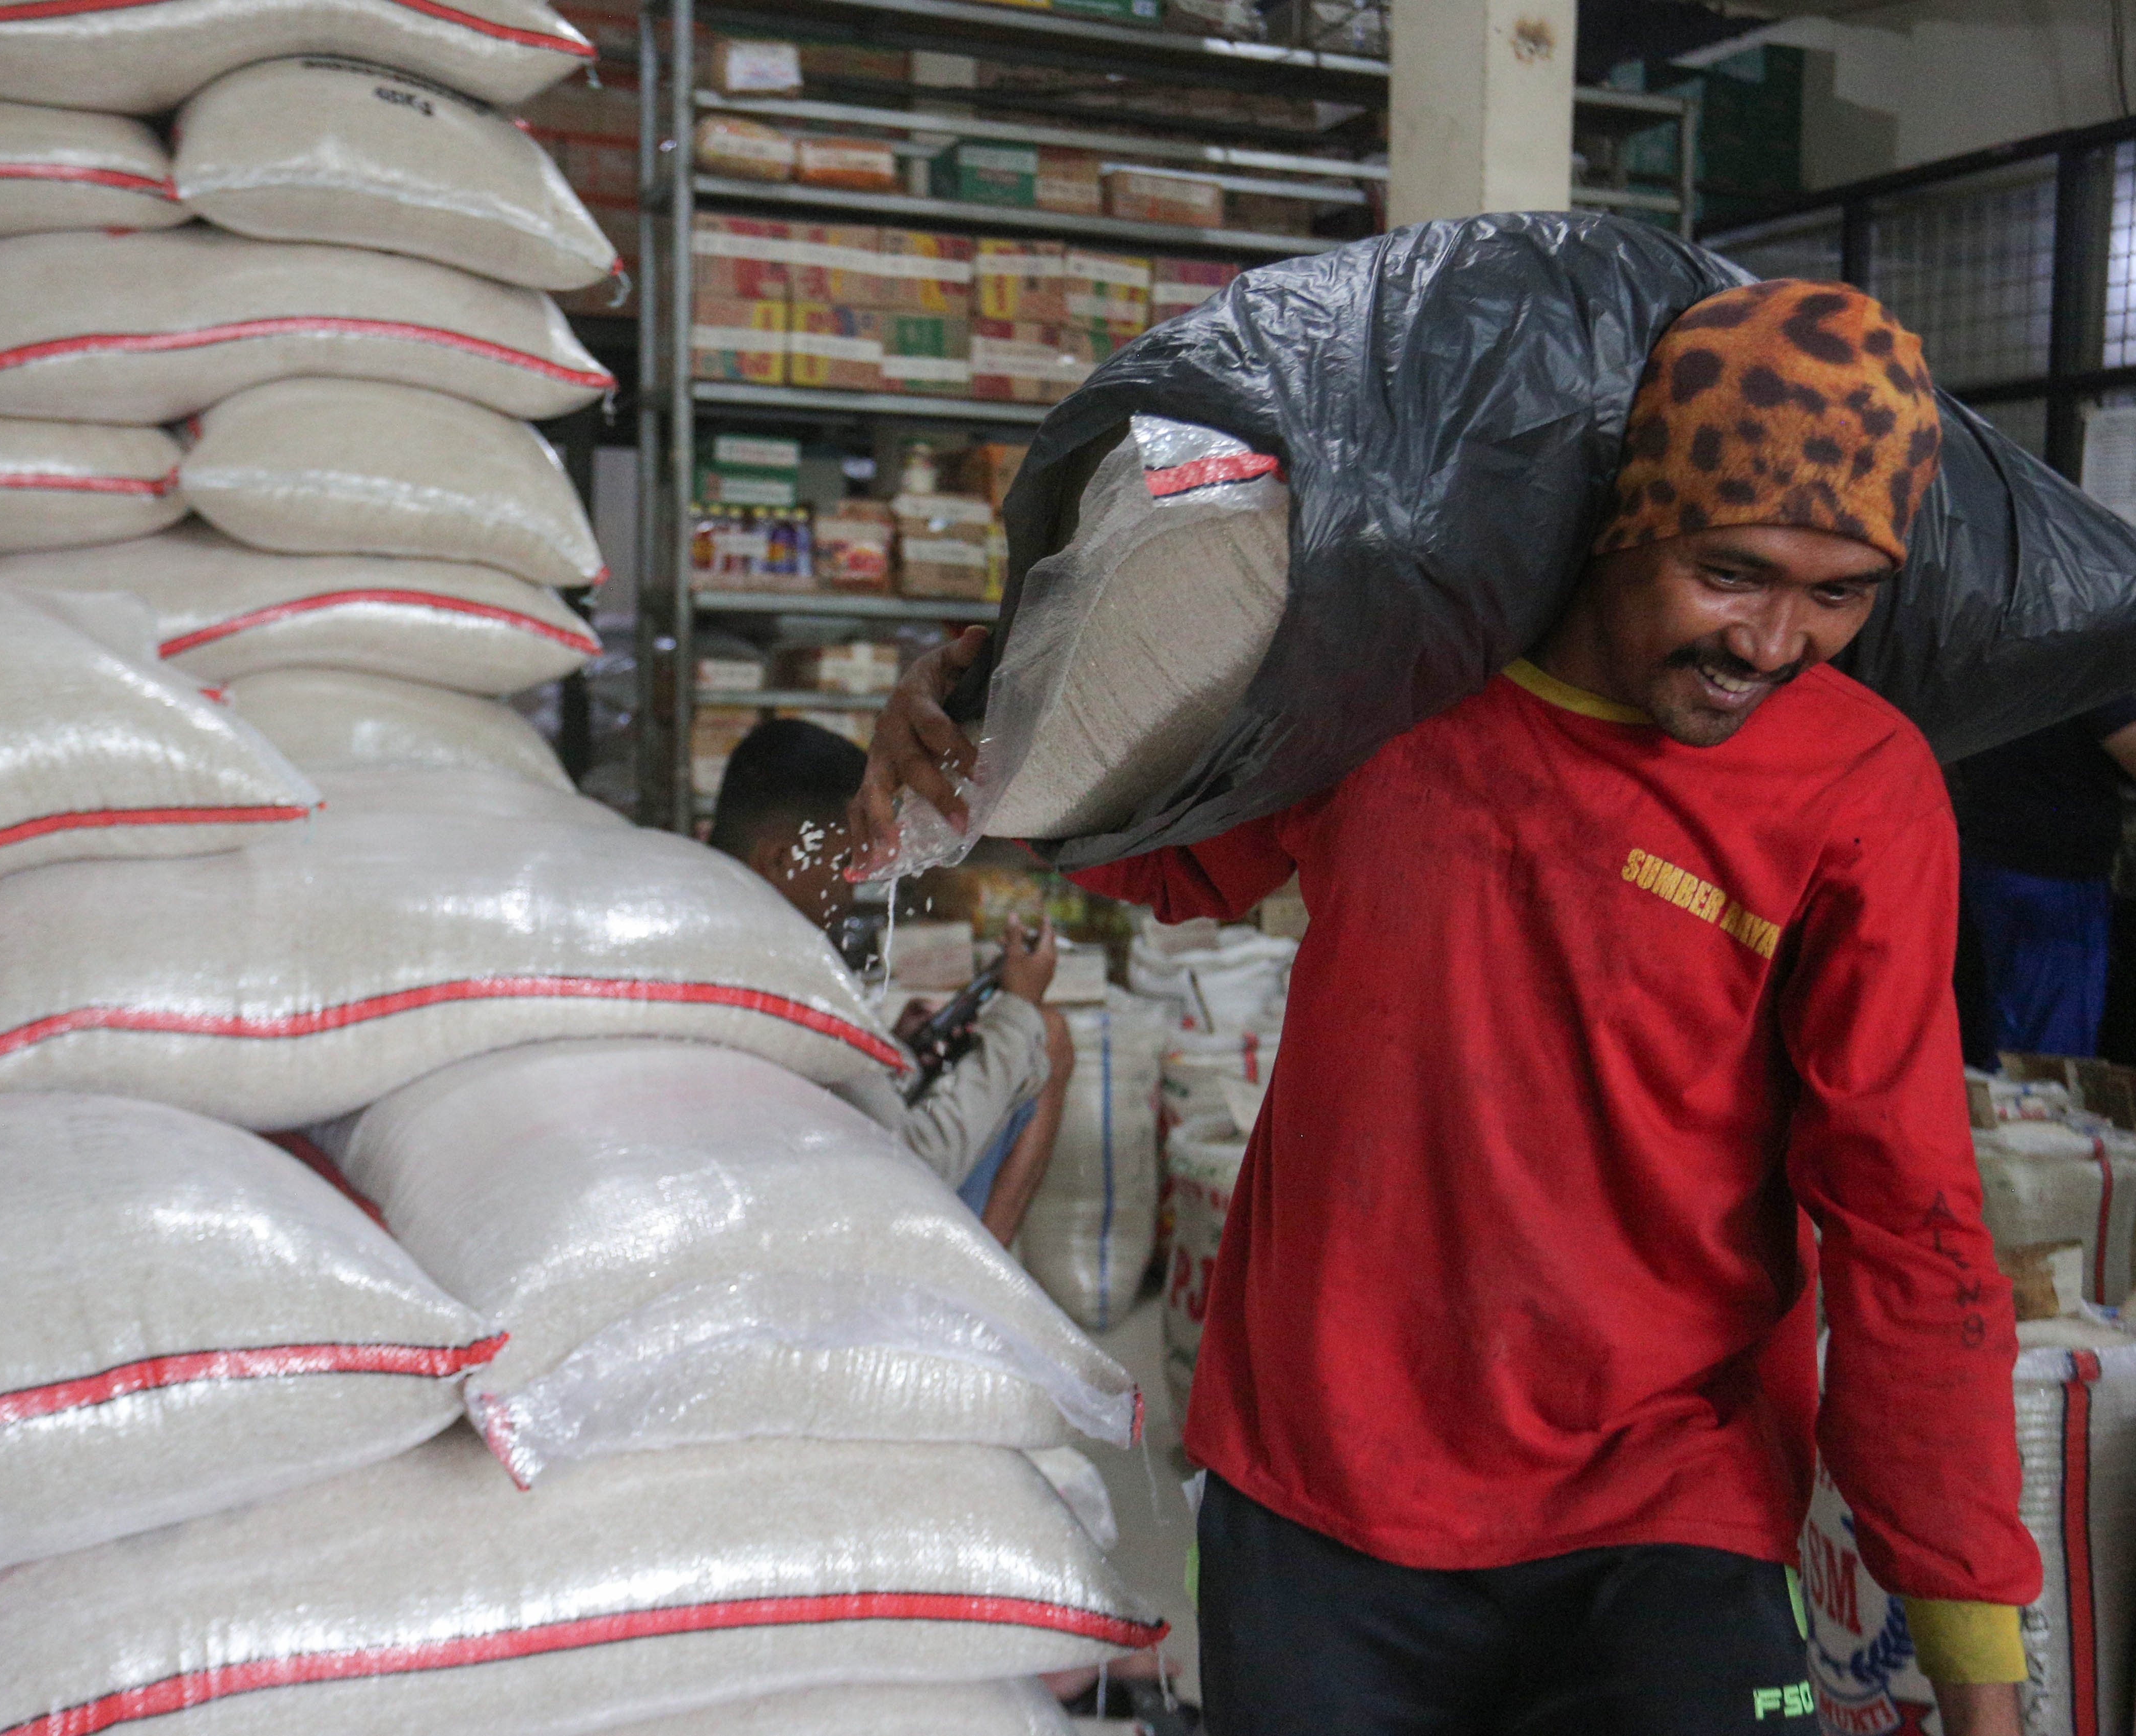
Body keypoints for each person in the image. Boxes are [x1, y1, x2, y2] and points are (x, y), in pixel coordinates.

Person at [849, 282, 2038, 1735]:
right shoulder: (1399, 689)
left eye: (1839, 593)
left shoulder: (1859, 789)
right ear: (1628, 519)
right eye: (1733, 573)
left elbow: (1905, 1207)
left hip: (1673, 1488)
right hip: (1329, 1478)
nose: (1775, 643)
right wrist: (980, 731)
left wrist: (1976, 1643)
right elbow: (1169, 850)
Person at [709, 718, 1072, 1241]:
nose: (852, 883)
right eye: (842, 861)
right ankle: (969, 1298)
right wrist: (1018, 1006)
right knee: (1049, 1036)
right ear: (783, 859)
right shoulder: (799, 975)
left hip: (777, 1193)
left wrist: (890, 1053)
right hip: (840, 1226)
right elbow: (920, 1162)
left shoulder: (715, 929)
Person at [1951, 697, 2136, 1057]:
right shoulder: (2085, 669)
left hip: (1990, 860)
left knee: (2001, 1010)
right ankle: (2040, 1104)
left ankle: (2005, 1102)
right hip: (2057, 875)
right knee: (2056, 1023)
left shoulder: (1995, 667)